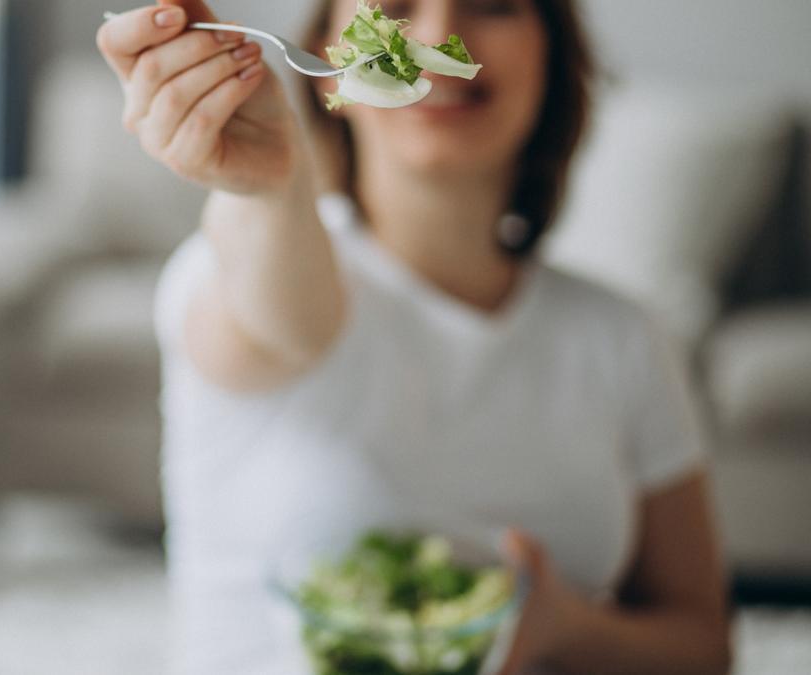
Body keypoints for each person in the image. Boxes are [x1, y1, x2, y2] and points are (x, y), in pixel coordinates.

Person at [97, 1, 732, 673]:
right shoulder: (241, 264)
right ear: (325, 61)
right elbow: (288, 319)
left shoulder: (623, 337)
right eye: (395, 7)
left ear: (551, 53)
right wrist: (270, 191)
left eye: (491, 4)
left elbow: (702, 646)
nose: (436, 34)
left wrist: (561, 626)